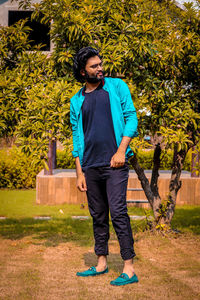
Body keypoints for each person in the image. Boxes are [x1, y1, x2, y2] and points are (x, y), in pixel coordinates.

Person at [70, 47, 138, 286]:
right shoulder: (77, 100)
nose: (100, 68)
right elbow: (77, 138)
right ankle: (101, 263)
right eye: (94, 66)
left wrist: (121, 151)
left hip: (115, 163)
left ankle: (129, 268)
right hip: (90, 166)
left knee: (118, 213)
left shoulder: (117, 87)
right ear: (82, 71)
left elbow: (132, 117)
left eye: (100, 64)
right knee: (98, 216)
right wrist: (79, 172)